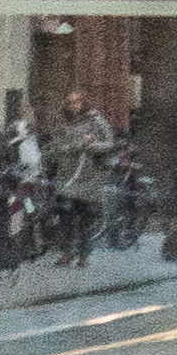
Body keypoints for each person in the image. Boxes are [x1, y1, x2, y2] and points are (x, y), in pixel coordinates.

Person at [53, 92, 116, 265]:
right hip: (69, 177)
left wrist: (94, 146)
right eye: (70, 102)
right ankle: (66, 253)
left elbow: (109, 143)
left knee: (85, 219)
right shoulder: (63, 123)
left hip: (90, 177)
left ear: (84, 102)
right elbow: (57, 146)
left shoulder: (96, 120)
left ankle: (83, 255)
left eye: (77, 101)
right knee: (66, 217)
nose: (74, 105)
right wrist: (74, 146)